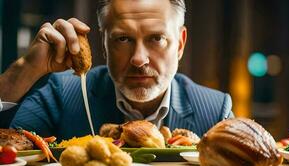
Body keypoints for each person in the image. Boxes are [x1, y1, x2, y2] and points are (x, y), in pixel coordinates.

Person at [9, 0, 233, 140]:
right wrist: (24, 70)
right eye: (123, 39)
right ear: (105, 44)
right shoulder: (62, 94)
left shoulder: (214, 112)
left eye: (156, 38)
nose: (138, 59)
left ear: (180, 45)